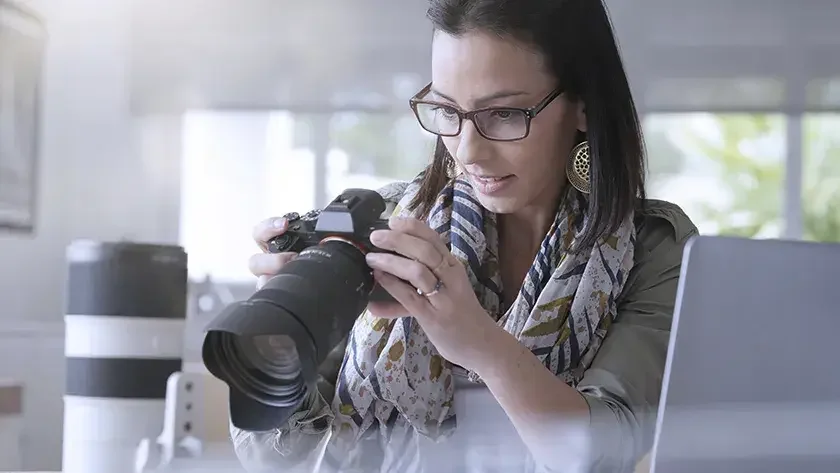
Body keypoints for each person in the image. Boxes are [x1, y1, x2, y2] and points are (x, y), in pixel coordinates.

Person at [234, 0, 698, 471]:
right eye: (446, 110)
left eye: (503, 114)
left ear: (582, 105)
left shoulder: (650, 246)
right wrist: (278, 337)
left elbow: (603, 452)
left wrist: (475, 340)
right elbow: (279, 459)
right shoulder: (391, 221)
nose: (468, 150)